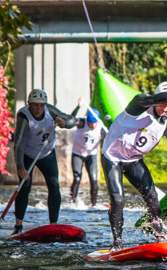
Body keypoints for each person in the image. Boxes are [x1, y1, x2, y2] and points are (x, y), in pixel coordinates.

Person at [101, 81, 167, 251]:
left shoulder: (166, 124)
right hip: (113, 157)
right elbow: (157, 98)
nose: (166, 108)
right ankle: (117, 242)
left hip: (134, 160)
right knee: (118, 200)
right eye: (163, 104)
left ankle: (159, 233)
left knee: (152, 196)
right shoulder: (140, 103)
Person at [12, 88, 79, 235]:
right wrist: (20, 167)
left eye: (41, 105)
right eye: (35, 105)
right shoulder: (24, 116)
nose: (38, 109)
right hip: (27, 155)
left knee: (54, 185)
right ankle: (18, 225)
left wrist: (64, 123)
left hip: (46, 154)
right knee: (25, 186)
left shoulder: (50, 111)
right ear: (29, 103)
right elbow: (19, 144)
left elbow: (73, 120)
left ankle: (53, 224)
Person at [70, 97, 106, 206]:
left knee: (94, 180)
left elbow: (108, 139)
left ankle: (93, 204)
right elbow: (70, 120)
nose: (93, 125)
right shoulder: (82, 122)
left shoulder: (100, 126)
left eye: (95, 123)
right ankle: (72, 202)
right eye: (91, 123)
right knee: (77, 178)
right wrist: (78, 106)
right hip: (77, 154)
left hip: (91, 155)